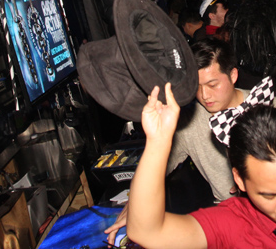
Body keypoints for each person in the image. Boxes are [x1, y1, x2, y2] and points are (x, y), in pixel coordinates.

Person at [125, 89, 276, 248]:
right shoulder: (231, 223)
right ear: (240, 180)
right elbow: (147, 232)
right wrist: (158, 141)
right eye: (269, 195)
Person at [104, 39, 249, 244]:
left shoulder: (266, 108)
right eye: (197, 87)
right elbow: (156, 168)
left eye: (212, 85)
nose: (204, 95)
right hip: (223, 220)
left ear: (233, 75)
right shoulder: (189, 122)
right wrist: (134, 206)